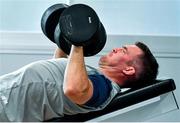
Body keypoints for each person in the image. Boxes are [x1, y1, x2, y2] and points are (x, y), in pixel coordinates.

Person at [0, 41, 158, 121]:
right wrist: (66, 39)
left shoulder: (104, 87)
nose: (116, 48)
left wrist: (78, 42)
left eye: (123, 50)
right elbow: (61, 71)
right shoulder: (94, 78)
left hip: (6, 108)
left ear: (129, 70)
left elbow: (74, 89)